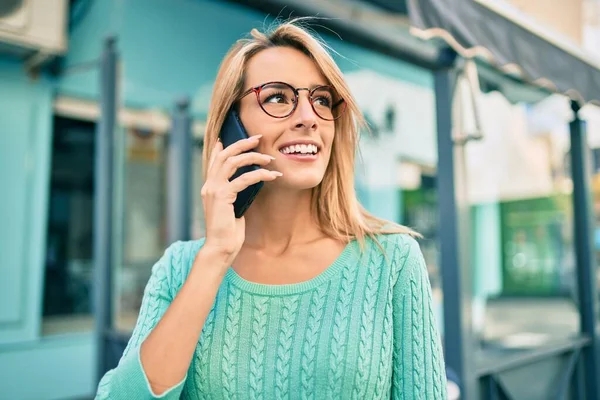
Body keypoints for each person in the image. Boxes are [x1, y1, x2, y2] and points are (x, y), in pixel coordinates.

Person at [95, 18, 447, 399]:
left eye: (322, 99)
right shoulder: (180, 269)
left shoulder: (391, 261)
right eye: (278, 97)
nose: (309, 118)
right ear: (232, 126)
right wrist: (215, 257)